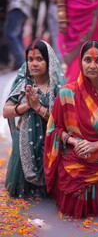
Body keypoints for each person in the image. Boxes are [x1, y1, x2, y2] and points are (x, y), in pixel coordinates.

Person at [44, 40, 98, 218]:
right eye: (87, 60)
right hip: (75, 154)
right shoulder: (67, 93)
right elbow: (53, 129)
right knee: (70, 209)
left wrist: (96, 145)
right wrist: (75, 142)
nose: (92, 65)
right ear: (80, 61)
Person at [3, 39, 66, 198]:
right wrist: (25, 106)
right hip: (24, 144)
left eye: (39, 59)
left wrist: (38, 107)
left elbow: (62, 122)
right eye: (30, 59)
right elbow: (5, 111)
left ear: (49, 61)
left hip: (48, 145)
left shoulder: (57, 89)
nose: (34, 64)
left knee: (49, 194)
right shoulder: (23, 84)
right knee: (23, 196)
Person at [57, 0, 98, 82]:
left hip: (92, 7)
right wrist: (62, 18)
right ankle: (77, 85)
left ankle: (93, 85)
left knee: (94, 48)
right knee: (76, 52)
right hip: (74, 7)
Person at [4, 0, 33, 70]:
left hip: (18, 6)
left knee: (11, 34)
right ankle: (21, 61)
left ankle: (20, 61)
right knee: (17, 36)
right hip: (24, 7)